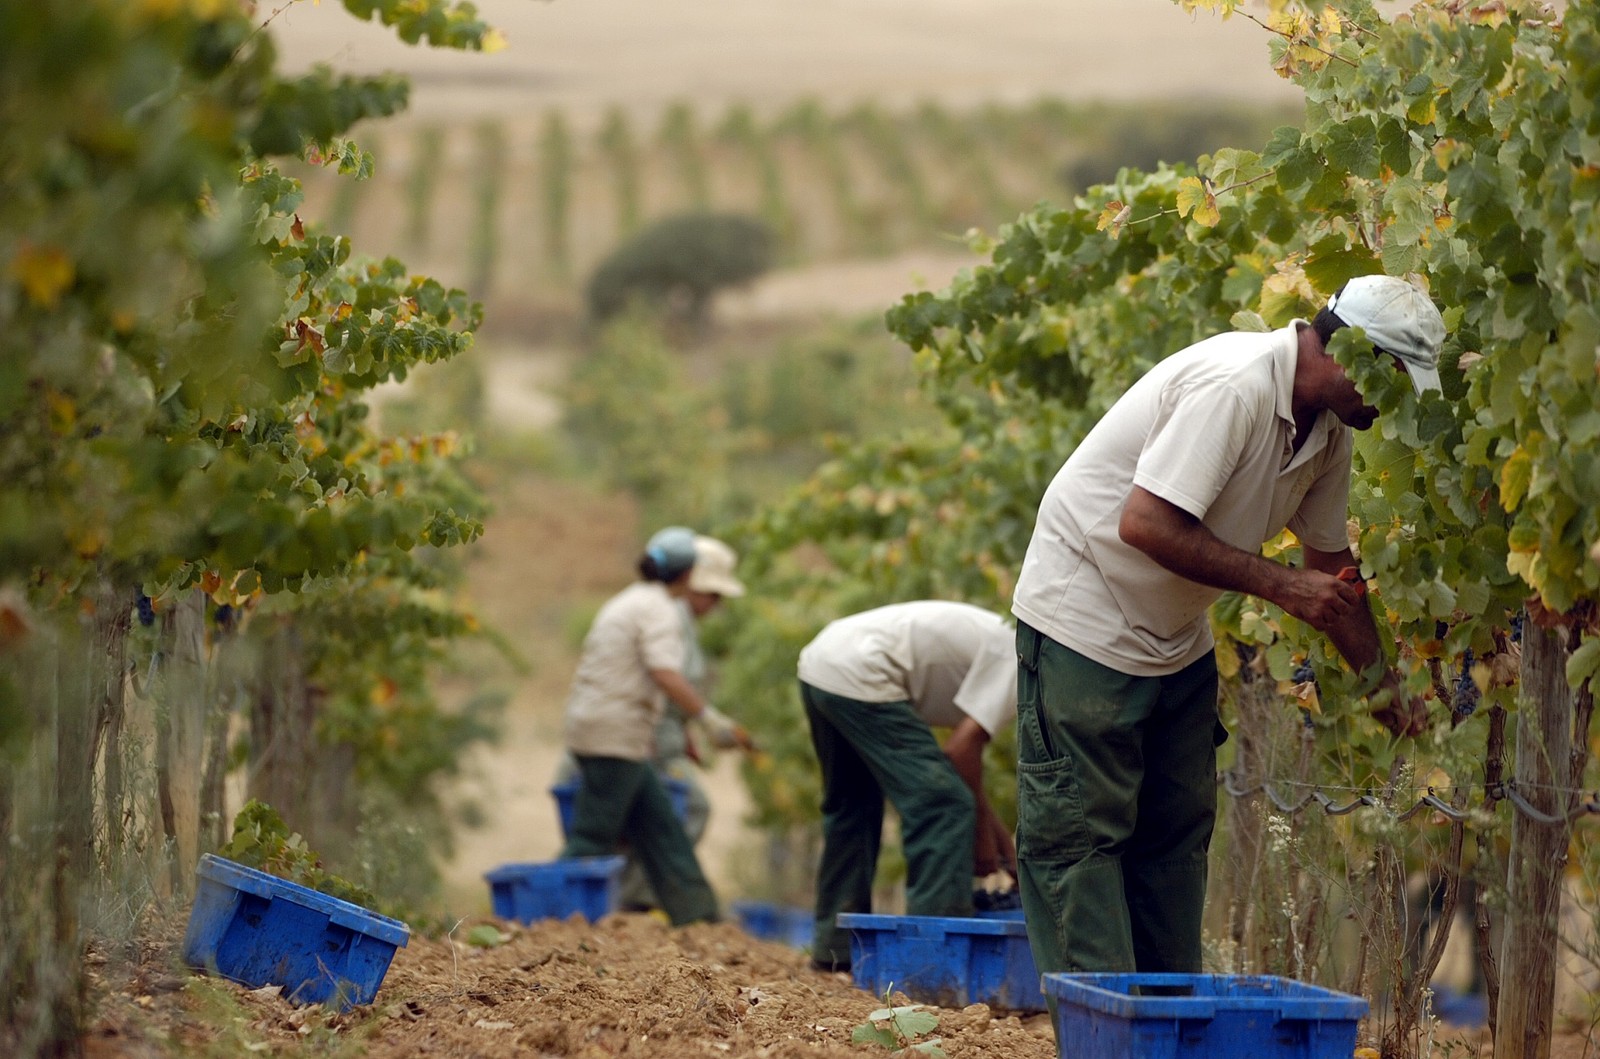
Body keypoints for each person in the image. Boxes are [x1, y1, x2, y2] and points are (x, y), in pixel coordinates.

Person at [1010, 274, 1445, 985]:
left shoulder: (1329, 431)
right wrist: (1280, 586)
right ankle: (1103, 1039)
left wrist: (1383, 689)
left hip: (1177, 634)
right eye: (1394, 381)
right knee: (1081, 844)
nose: (1393, 406)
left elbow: (1331, 570)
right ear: (1356, 353)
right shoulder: (1235, 385)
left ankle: (1163, 1027)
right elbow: (1144, 522)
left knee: (1175, 842)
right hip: (1085, 616)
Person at [798, 600, 1018, 972]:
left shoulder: (1005, 641)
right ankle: (932, 966)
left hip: (821, 663)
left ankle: (834, 952)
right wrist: (984, 842)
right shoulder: (1021, 658)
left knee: (853, 807)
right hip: (862, 673)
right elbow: (960, 752)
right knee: (942, 805)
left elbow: (965, 765)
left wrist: (1000, 850)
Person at [560, 526, 753, 925]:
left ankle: (700, 917)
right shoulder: (661, 610)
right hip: (613, 736)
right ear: (688, 576)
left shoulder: (634, 600)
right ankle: (540, 913)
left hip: (615, 733)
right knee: (592, 837)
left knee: (663, 828)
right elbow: (665, 673)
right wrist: (708, 719)